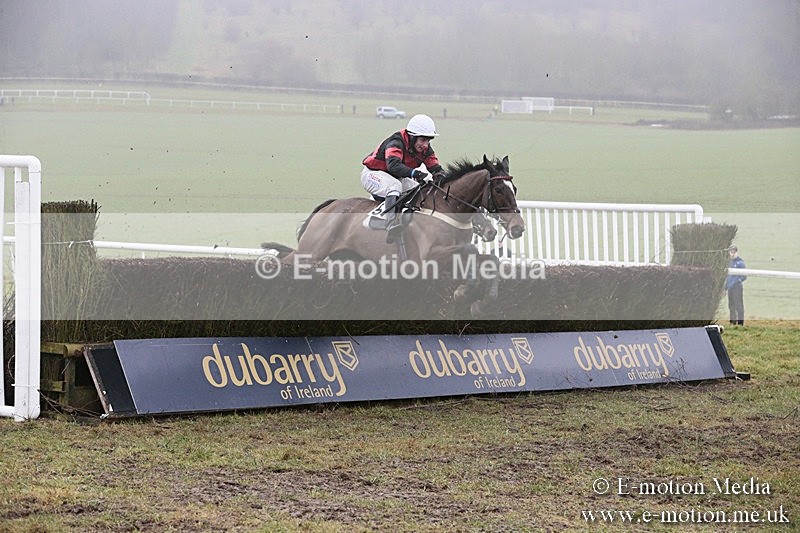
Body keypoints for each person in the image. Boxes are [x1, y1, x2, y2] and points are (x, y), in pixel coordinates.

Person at [361, 114, 445, 243]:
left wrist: (442, 176)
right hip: (373, 174)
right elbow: (393, 166)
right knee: (394, 187)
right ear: (412, 136)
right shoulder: (396, 142)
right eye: (422, 140)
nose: (425, 145)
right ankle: (390, 224)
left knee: (417, 188)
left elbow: (435, 167)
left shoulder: (425, 149)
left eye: (428, 140)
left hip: (394, 177)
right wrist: (415, 173)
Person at [726, 246, 747, 326]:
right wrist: (726, 285)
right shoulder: (729, 262)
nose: (732, 254)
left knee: (739, 305)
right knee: (731, 305)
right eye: (731, 252)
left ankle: (740, 323)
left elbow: (744, 276)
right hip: (730, 287)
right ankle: (732, 322)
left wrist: (737, 282)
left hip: (737, 287)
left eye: (734, 252)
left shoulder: (740, 263)